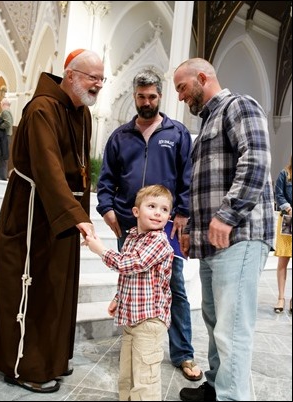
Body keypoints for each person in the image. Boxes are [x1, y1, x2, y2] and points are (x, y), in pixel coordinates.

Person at [0, 49, 105, 393]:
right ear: (71, 75)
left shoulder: (82, 113)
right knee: (28, 287)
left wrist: (80, 215)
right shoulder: (42, 108)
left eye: (102, 78)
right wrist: (74, 213)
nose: (98, 84)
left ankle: (51, 358)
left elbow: (79, 170)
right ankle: (23, 365)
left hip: (61, 214)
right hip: (32, 213)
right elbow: (46, 168)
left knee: (55, 291)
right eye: (93, 77)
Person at [173, 58, 275, 401]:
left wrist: (228, 215)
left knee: (232, 329)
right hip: (213, 243)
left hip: (240, 237)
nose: (181, 97)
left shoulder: (238, 106)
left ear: (203, 78)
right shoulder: (207, 125)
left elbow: (256, 159)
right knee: (216, 322)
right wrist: (192, 230)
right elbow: (206, 186)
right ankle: (217, 388)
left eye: (183, 88)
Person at [96, 69, 203, 381]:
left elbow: (187, 177)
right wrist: (107, 211)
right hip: (129, 227)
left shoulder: (177, 133)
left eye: (152, 96)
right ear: (134, 97)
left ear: (160, 96)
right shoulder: (119, 137)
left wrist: (182, 214)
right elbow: (106, 181)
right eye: (141, 97)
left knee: (175, 288)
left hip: (166, 228)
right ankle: (135, 345)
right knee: (130, 285)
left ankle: (182, 353)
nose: (146, 102)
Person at [85, 184, 175, 401]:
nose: (158, 213)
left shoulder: (159, 241)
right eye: (151, 206)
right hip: (132, 318)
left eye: (164, 209)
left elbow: (132, 264)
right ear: (136, 211)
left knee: (146, 378)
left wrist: (101, 250)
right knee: (127, 374)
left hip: (150, 320)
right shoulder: (133, 237)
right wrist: (118, 298)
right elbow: (129, 276)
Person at [273, 156, 292, 314]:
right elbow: (278, 195)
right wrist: (289, 208)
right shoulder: (284, 174)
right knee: (283, 260)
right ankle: (281, 297)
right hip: (287, 221)